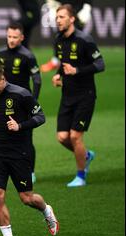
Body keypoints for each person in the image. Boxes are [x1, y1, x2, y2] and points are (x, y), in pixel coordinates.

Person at [0, 64, 58, 236]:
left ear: (3, 79)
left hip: (19, 152)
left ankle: (46, 210)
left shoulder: (22, 94)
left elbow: (41, 117)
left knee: (27, 198)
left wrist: (20, 126)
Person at [51, 4, 104, 187]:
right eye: (57, 17)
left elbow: (100, 64)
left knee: (75, 136)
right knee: (62, 137)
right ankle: (86, 155)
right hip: (67, 96)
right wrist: (59, 74)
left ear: (72, 19)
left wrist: (77, 70)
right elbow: (63, 63)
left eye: (62, 17)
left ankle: (81, 176)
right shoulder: (58, 40)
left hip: (85, 95)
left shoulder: (84, 40)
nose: (58, 20)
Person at [0, 22, 41, 183]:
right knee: (6, 137)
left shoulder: (28, 56)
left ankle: (31, 171)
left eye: (15, 37)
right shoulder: (1, 54)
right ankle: (9, 169)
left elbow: (37, 80)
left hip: (24, 103)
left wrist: (33, 102)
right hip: (6, 103)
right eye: (9, 36)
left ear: (22, 37)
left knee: (26, 139)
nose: (11, 40)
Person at [41, 0, 93, 72]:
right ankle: (56, 61)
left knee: (75, 36)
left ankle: (76, 62)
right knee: (60, 35)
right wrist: (52, 5)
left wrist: (87, 7)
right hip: (63, 7)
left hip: (78, 9)